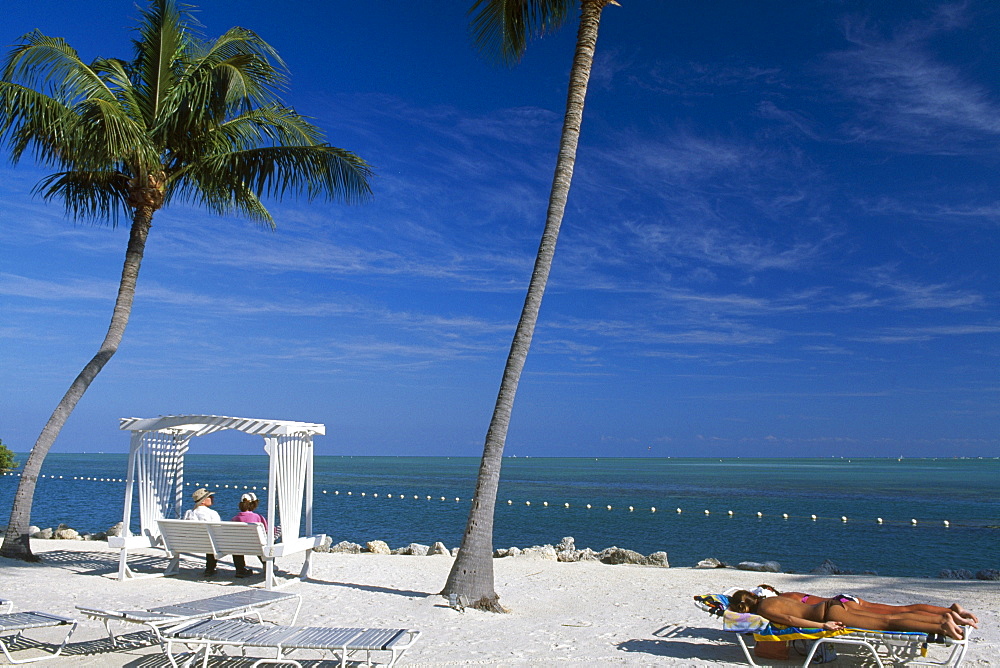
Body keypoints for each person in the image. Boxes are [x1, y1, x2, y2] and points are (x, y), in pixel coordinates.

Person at [728, 590, 975, 640]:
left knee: (888, 622)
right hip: (835, 603)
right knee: (892, 614)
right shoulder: (772, 597)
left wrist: (824, 627)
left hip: (829, 613)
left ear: (742, 607)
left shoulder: (765, 609)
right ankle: (945, 617)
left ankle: (942, 624)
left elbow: (793, 621)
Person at [755, 584, 980, 626]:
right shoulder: (790, 595)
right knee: (900, 610)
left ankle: (948, 616)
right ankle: (951, 610)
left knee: (892, 617)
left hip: (837, 605)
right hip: (844, 599)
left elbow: (792, 619)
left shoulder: (784, 598)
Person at [183, 488, 220, 576]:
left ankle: (209, 569)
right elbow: (218, 530)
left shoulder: (188, 513)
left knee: (208, 540)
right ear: (203, 501)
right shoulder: (212, 513)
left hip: (190, 543)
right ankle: (210, 568)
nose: (212, 498)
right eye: (209, 497)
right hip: (209, 544)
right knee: (212, 540)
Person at [231, 492, 267, 578]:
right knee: (264, 541)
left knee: (236, 545)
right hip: (256, 546)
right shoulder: (258, 517)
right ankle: (267, 564)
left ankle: (240, 569)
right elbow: (266, 530)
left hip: (240, 547)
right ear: (254, 504)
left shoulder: (234, 519)